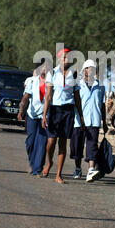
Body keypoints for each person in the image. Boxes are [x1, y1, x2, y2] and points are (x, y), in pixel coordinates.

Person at [42, 48, 85, 184]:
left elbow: (77, 97)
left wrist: (81, 116)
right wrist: (44, 115)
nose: (66, 60)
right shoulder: (53, 72)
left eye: (68, 57)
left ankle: (58, 174)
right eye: (63, 57)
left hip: (68, 111)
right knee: (51, 142)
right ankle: (49, 162)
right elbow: (48, 96)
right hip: (55, 110)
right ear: (59, 58)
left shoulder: (74, 74)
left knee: (62, 143)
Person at [70, 59, 108, 182]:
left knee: (92, 146)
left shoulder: (100, 86)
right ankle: (77, 168)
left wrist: (104, 121)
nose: (91, 70)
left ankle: (91, 169)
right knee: (77, 146)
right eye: (88, 68)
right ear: (84, 70)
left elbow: (102, 105)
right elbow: (75, 103)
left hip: (94, 120)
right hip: (79, 120)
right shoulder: (78, 85)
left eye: (93, 68)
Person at [17, 60, 48, 176]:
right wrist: (21, 110)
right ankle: (32, 162)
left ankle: (37, 167)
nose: (45, 69)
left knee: (41, 142)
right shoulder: (33, 81)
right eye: (43, 67)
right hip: (32, 114)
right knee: (30, 142)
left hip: (45, 116)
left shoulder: (52, 82)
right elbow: (26, 97)